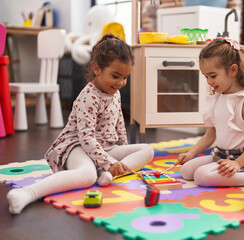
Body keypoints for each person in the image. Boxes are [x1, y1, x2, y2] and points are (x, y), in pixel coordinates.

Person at [7, 34, 154, 214]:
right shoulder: (88, 97)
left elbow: (119, 124)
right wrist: (109, 161)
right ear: (97, 69)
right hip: (77, 146)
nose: (121, 83)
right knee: (87, 176)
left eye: (125, 77)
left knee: (147, 150)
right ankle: (27, 193)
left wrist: (118, 158)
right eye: (116, 76)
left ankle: (108, 172)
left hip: (105, 147)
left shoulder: (114, 91)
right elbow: (86, 138)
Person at [177, 37, 244, 187]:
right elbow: (209, 136)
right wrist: (190, 153)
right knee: (186, 171)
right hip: (220, 155)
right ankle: (223, 171)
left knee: (201, 176)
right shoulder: (216, 99)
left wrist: (238, 163)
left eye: (213, 76)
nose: (209, 82)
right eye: (206, 77)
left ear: (233, 70)